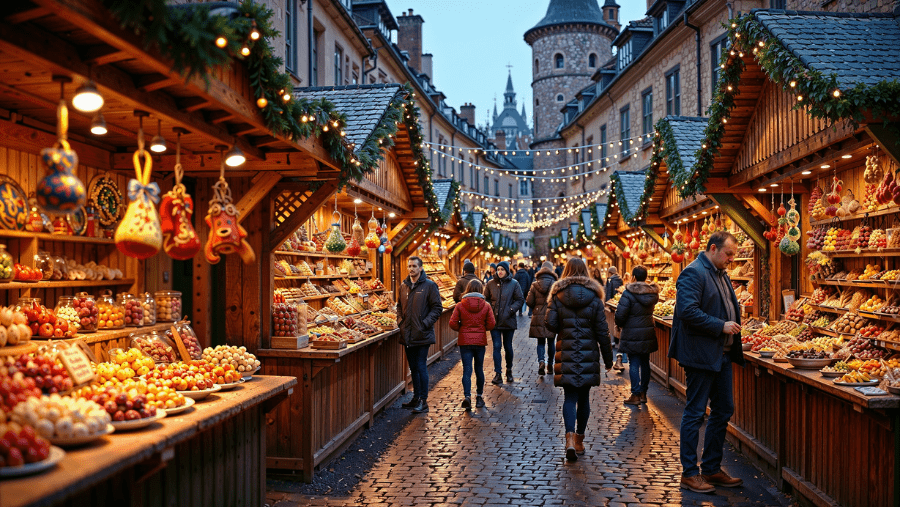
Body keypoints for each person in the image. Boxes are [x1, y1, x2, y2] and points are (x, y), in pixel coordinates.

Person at [669, 231, 745, 493]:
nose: (731, 259)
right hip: (701, 355)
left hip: (721, 355)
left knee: (724, 410)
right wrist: (720, 325)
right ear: (713, 248)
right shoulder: (693, 272)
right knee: (695, 412)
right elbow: (687, 312)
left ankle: (711, 468)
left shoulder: (721, 274)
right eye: (729, 254)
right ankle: (690, 473)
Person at [546, 257, 613, 462]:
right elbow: (603, 331)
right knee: (584, 398)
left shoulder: (557, 295)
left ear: (566, 271)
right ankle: (579, 440)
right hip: (588, 353)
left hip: (566, 350)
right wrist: (608, 359)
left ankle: (568, 439)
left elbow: (549, 324)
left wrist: (563, 327)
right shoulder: (594, 297)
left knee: (570, 398)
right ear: (585, 272)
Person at [397, 256, 444, 414]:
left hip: (422, 334)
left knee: (421, 366)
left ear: (421, 268)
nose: (411, 269)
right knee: (413, 368)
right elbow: (399, 306)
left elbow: (437, 308)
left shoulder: (430, 286)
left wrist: (424, 323)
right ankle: (416, 398)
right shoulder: (403, 286)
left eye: (414, 266)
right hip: (408, 333)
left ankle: (423, 401)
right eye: (409, 266)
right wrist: (400, 321)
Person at [614, 265, 660, 405]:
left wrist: (619, 323)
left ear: (633, 277)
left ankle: (635, 394)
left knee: (633, 363)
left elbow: (620, 315)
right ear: (645, 277)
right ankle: (643, 393)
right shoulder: (652, 293)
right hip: (647, 332)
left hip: (632, 333)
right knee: (645, 363)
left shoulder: (628, 293)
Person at [448, 279, 495, 410]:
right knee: (479, 369)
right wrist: (481, 329)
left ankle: (467, 396)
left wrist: (462, 329)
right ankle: (479, 397)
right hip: (480, 342)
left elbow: (452, 323)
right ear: (481, 290)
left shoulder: (460, 305)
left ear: (467, 289)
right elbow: (491, 324)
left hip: (465, 341)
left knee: (467, 369)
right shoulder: (486, 305)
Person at [484, 261, 525, 384]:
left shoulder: (514, 284)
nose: (500, 271)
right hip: (495, 321)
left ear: (507, 270)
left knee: (508, 347)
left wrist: (511, 310)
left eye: (502, 269)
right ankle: (498, 373)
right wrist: (490, 310)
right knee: (496, 347)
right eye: (498, 269)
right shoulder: (491, 284)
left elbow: (520, 299)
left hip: (508, 320)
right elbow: (485, 299)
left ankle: (509, 370)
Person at [526, 261, 558, 375]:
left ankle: (541, 361)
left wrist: (536, 307)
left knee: (540, 341)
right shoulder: (556, 284)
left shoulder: (535, 284)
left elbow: (529, 301)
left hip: (538, 316)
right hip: (552, 316)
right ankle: (550, 364)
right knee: (551, 342)